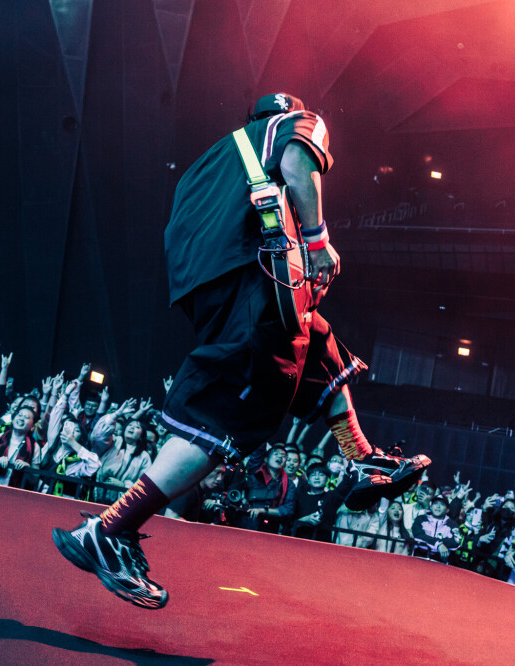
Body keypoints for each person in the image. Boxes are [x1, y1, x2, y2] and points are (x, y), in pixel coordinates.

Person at [52, 92, 430, 609]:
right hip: (252, 280)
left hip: (208, 289)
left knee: (316, 342)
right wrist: (316, 241)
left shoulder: (205, 165)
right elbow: (297, 157)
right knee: (223, 416)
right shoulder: (292, 126)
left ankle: (360, 457)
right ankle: (110, 529)